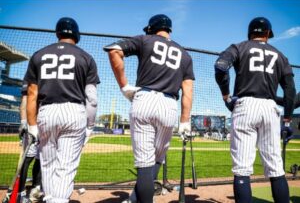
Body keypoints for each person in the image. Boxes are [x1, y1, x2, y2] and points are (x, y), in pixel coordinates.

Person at [104, 14, 195, 203]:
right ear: (169, 30)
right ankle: (135, 198)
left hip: (144, 99)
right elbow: (187, 90)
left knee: (145, 163)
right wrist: (185, 120)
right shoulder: (185, 54)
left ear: (152, 28)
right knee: (157, 159)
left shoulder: (145, 39)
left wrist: (124, 86)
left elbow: (113, 50)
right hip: (169, 105)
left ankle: (137, 198)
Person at [215, 17, 296, 203]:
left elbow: (220, 67)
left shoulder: (239, 46)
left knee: (242, 168)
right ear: (267, 34)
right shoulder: (280, 55)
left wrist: (226, 95)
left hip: (245, 106)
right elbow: (290, 89)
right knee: (276, 167)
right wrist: (287, 120)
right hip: (270, 107)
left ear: (250, 32)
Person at [24, 17, 100, 203]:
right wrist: (90, 125)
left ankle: (51, 199)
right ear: (76, 34)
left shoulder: (39, 55)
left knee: (48, 165)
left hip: (46, 112)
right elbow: (92, 98)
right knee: (65, 167)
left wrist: (31, 124)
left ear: (58, 33)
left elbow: (32, 93)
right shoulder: (86, 57)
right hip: (74, 112)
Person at [17, 81, 43, 203]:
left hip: (41, 122)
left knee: (38, 157)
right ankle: (23, 191)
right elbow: (24, 101)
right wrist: (23, 122)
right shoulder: (32, 77)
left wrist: (23, 122)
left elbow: (24, 101)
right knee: (30, 158)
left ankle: (33, 189)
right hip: (35, 122)